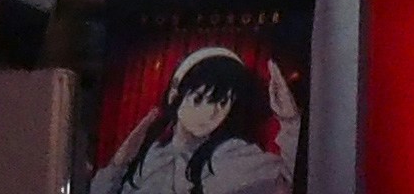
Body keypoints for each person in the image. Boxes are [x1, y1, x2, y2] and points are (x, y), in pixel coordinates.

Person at [87, 48, 295, 194]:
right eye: (199, 99)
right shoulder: (152, 153)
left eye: (222, 103)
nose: (212, 113)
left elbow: (295, 180)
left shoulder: (233, 156)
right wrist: (118, 164)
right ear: (175, 96)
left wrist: (289, 120)